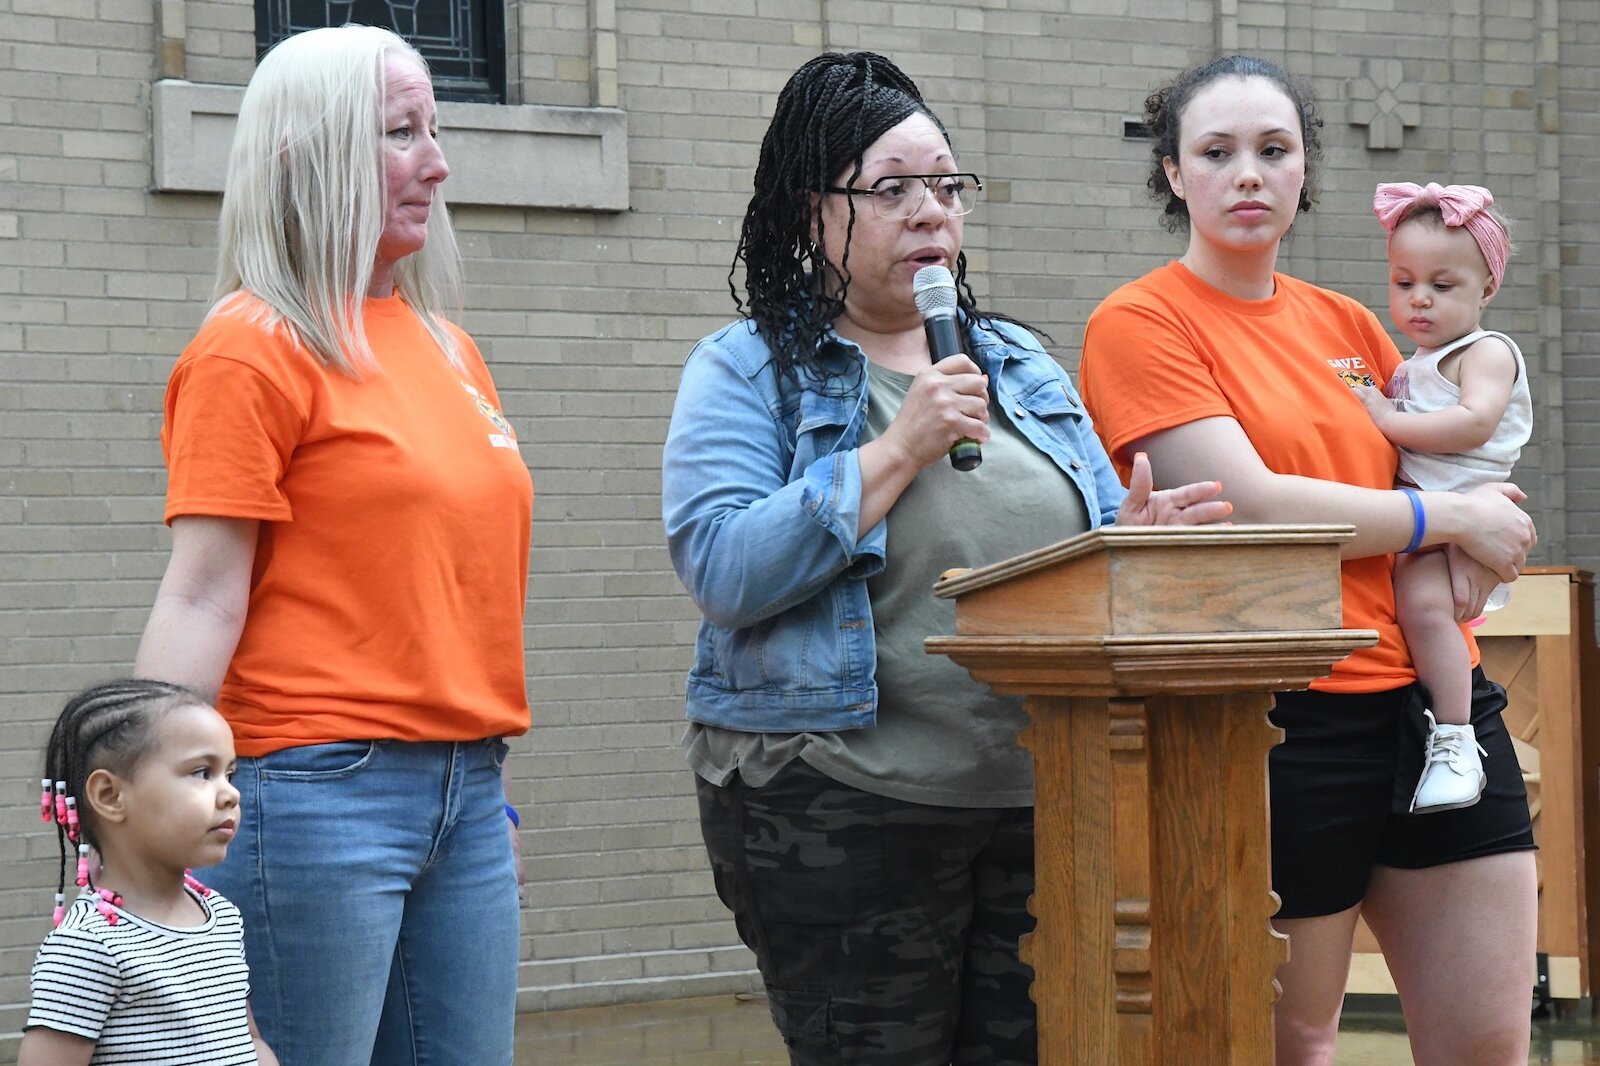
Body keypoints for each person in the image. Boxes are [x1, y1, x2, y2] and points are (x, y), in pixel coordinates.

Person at [661, 51, 1228, 1066]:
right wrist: (893, 450)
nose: (931, 211)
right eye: (892, 189)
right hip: (837, 802)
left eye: (946, 185)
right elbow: (722, 568)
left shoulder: (1016, 363)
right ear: (811, 214)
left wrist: (1129, 550)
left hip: (1037, 797)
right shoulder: (747, 369)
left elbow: (1073, 564)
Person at [1077, 55, 1538, 1065]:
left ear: (1301, 173)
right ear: (1173, 175)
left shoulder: (1353, 325)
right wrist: (1444, 522)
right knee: (1298, 1040)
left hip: (1432, 705)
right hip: (1283, 719)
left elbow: (1438, 466)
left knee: (1488, 1048)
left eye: (1272, 150)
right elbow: (1257, 503)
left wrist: (1481, 526)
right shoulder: (1138, 321)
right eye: (1217, 151)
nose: (1248, 173)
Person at [131, 25, 533, 1066]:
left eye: (435, 129)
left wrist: (477, 798)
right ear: (306, 155)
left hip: (468, 793)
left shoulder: (450, 348)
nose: (437, 163)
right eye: (401, 132)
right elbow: (201, 599)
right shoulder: (251, 344)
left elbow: (442, 593)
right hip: (309, 798)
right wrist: (141, 823)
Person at [1355, 181, 1532, 815]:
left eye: (1443, 285)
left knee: (1426, 610)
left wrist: (1385, 417)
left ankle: (1456, 734)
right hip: (1431, 507)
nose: (1420, 299)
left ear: (1487, 288)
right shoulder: (1417, 360)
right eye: (1404, 283)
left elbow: (1472, 424)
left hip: (1460, 503)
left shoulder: (1485, 352)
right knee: (1422, 608)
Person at [21, 679, 279, 1066]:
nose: (231, 794)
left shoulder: (222, 917)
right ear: (110, 796)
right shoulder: (89, 947)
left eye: (230, 773)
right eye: (202, 773)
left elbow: (248, 1042)